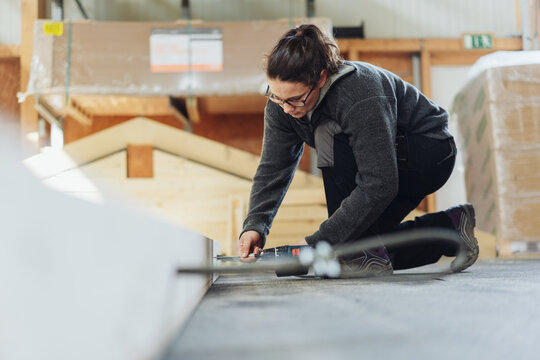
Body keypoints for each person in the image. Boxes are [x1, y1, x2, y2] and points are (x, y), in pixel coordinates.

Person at [238, 24, 479, 276]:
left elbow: (379, 181)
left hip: (428, 153)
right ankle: (452, 229)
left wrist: (318, 244)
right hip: (385, 162)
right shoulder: (281, 105)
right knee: (362, 247)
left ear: (321, 77)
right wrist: (255, 225)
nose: (286, 108)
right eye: (276, 96)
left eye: (295, 99)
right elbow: (273, 168)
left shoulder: (358, 93)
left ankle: (351, 253)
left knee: (328, 134)